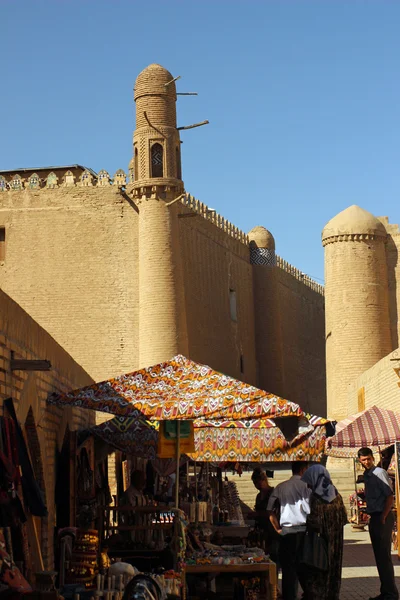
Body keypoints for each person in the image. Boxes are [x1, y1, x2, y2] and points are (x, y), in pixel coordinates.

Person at [300, 464, 348, 600]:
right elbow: (344, 518)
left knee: (319, 569)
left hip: (322, 542)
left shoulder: (316, 498)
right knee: (334, 569)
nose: (308, 486)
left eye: (309, 482)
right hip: (336, 542)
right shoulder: (336, 493)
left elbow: (314, 522)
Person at [358, 447, 399, 600]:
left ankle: (391, 593)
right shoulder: (367, 476)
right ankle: (386, 590)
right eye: (363, 460)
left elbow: (389, 496)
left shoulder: (379, 473)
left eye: (368, 459)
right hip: (374, 517)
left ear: (372, 458)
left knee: (384, 556)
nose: (366, 462)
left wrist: (383, 516)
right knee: (379, 557)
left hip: (382, 517)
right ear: (360, 461)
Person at [267, 462, 311, 600]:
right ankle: (308, 594)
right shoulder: (306, 486)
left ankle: (289, 596)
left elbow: (269, 510)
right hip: (303, 530)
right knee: (305, 567)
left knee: (288, 569)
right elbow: (309, 509)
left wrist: (278, 529)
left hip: (286, 532)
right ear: (303, 470)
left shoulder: (281, 486)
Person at [250, 468, 280, 562]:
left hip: (272, 532)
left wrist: (257, 514)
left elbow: (274, 513)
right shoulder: (259, 496)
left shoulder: (273, 494)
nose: (257, 486)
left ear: (264, 480)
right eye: (255, 484)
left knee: (273, 559)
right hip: (261, 533)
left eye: (258, 483)